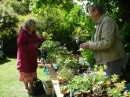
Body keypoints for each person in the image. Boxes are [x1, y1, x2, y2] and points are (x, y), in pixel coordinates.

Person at [80, 3, 124, 78]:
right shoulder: (99, 23)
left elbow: (107, 42)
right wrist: (88, 44)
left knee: (112, 86)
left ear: (96, 11)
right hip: (106, 61)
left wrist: (90, 45)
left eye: (89, 12)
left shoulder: (107, 21)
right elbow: (101, 41)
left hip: (111, 60)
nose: (89, 15)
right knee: (106, 85)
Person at [17, 19, 46, 93]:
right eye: (33, 26)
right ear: (28, 26)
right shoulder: (23, 33)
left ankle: (31, 85)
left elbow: (37, 41)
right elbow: (20, 45)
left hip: (32, 56)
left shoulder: (32, 33)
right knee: (26, 71)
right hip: (25, 57)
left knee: (31, 70)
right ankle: (26, 87)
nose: (34, 27)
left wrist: (42, 39)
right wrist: (32, 46)